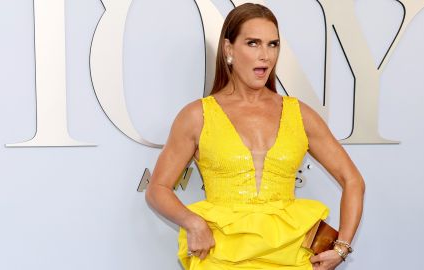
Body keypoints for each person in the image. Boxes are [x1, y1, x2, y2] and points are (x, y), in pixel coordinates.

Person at [145, 3, 365, 270]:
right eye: (253, 43)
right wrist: (193, 222)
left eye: (273, 44)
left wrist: (341, 248)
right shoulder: (197, 115)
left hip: (292, 257)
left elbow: (352, 179)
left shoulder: (300, 114)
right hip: (221, 256)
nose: (265, 55)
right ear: (229, 49)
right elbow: (157, 189)